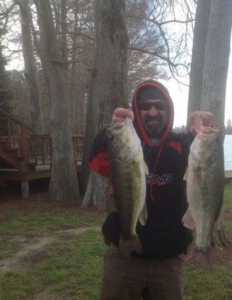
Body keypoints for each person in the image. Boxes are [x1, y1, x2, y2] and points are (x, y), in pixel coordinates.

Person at [88, 80, 214, 300]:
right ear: (137, 110)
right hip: (123, 258)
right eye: (145, 106)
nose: (153, 111)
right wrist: (110, 130)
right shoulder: (124, 141)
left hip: (169, 262)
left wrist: (200, 133)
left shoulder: (184, 145)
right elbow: (97, 163)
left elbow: (206, 171)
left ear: (169, 110)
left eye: (159, 105)